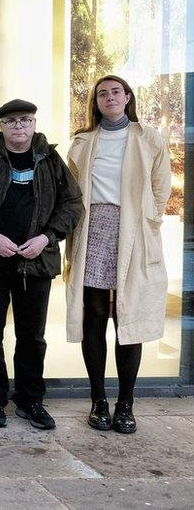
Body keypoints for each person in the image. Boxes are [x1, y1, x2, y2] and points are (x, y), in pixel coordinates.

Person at [0, 99, 82, 430]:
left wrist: (47, 238)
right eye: (11, 121)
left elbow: (73, 203)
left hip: (35, 262)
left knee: (32, 336)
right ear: (1, 126)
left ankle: (30, 401)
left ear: (34, 124)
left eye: (25, 120)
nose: (18, 127)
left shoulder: (50, 159)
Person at [65, 75, 172, 434]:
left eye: (115, 92)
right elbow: (73, 192)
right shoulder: (82, 142)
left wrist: (148, 222)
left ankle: (126, 404)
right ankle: (98, 401)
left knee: (130, 319)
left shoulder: (148, 137)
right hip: (94, 227)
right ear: (95, 103)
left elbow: (161, 187)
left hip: (133, 231)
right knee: (94, 316)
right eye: (102, 94)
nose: (109, 97)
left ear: (127, 97)